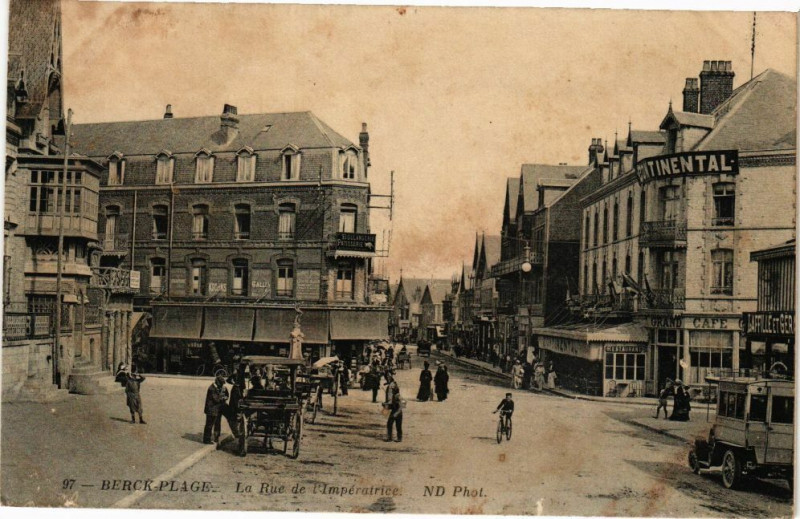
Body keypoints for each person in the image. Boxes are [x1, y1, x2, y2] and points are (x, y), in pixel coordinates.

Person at [204, 370, 230, 444]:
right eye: (221, 384)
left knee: (216, 423)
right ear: (218, 382)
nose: (222, 386)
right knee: (209, 425)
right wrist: (223, 398)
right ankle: (206, 440)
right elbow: (216, 399)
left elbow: (227, 395)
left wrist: (225, 397)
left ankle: (215, 437)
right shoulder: (211, 388)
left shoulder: (220, 388)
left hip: (216, 409)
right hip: (211, 409)